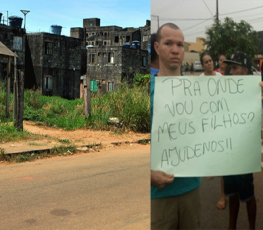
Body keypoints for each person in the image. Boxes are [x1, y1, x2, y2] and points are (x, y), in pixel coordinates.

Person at [151, 22, 201, 230]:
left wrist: (253, 96)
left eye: (180, 45)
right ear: (157, 47)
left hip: (192, 188)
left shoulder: (199, 90)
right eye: (168, 43)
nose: (175, 50)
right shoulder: (146, 90)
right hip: (158, 194)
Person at [222, 51, 257, 230]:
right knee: (232, 195)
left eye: (234, 67)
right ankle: (231, 227)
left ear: (244, 70)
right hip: (228, 152)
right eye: (230, 67)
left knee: (248, 196)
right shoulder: (226, 90)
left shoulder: (255, 91)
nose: (231, 71)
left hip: (244, 153)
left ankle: (252, 227)